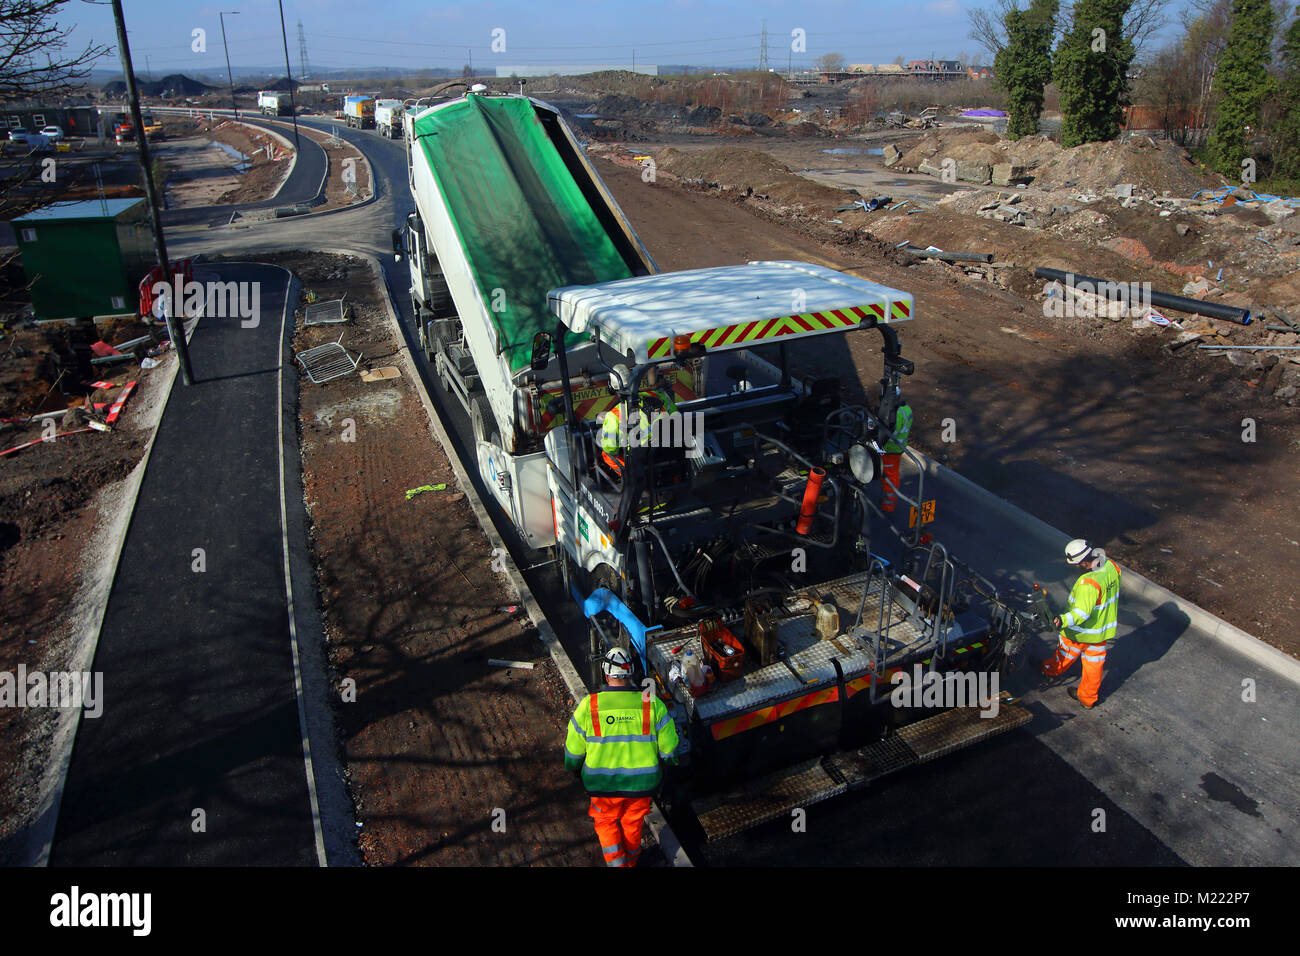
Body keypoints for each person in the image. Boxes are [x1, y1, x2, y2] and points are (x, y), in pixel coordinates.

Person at [564, 647, 679, 867]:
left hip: (602, 785)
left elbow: (573, 750)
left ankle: (617, 864)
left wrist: (573, 768)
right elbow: (670, 749)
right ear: (632, 673)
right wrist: (670, 764)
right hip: (642, 784)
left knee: (606, 823)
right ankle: (632, 859)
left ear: (606, 674)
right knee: (632, 823)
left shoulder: (590, 706)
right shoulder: (651, 704)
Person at [1041, 538, 1121, 709]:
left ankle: (1050, 671)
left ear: (1084, 562)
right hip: (1100, 633)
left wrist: (1061, 620)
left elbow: (1081, 613)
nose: (1076, 567)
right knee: (1094, 666)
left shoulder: (1089, 584)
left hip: (1081, 632)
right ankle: (1087, 698)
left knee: (1066, 654)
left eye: (1077, 564)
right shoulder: (1111, 567)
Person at [599, 365, 678, 477]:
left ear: (613, 388)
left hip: (639, 461)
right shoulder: (659, 396)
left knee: (607, 454)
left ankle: (629, 478)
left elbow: (610, 448)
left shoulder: (613, 415)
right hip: (664, 453)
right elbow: (676, 417)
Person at [879, 387, 913, 513]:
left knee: (889, 476)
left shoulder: (894, 414)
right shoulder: (906, 409)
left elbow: (887, 430)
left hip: (890, 449)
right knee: (892, 473)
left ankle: (888, 505)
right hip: (898, 447)